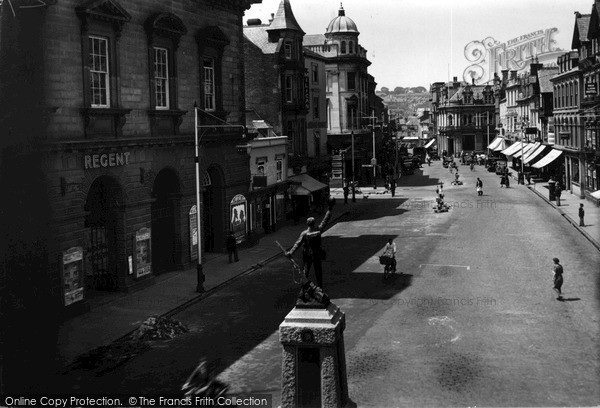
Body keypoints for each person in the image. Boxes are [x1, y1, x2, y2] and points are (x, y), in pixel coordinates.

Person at [286, 197, 335, 289]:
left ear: (307, 224)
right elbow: (325, 220)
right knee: (318, 272)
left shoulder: (304, 233)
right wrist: (329, 209)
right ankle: (320, 288)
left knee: (306, 272)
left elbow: (297, 244)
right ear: (314, 223)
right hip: (317, 254)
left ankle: (303, 289)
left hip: (307, 255)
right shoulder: (318, 230)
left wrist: (290, 252)